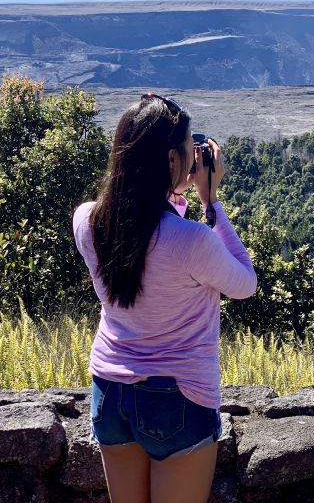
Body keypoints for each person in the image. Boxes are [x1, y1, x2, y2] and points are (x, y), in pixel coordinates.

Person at [72, 93, 257, 503]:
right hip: (178, 398)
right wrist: (212, 204)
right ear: (172, 161)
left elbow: (146, 236)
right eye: (189, 150)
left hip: (110, 390)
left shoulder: (87, 220)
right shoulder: (191, 240)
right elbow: (245, 283)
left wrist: (176, 194)